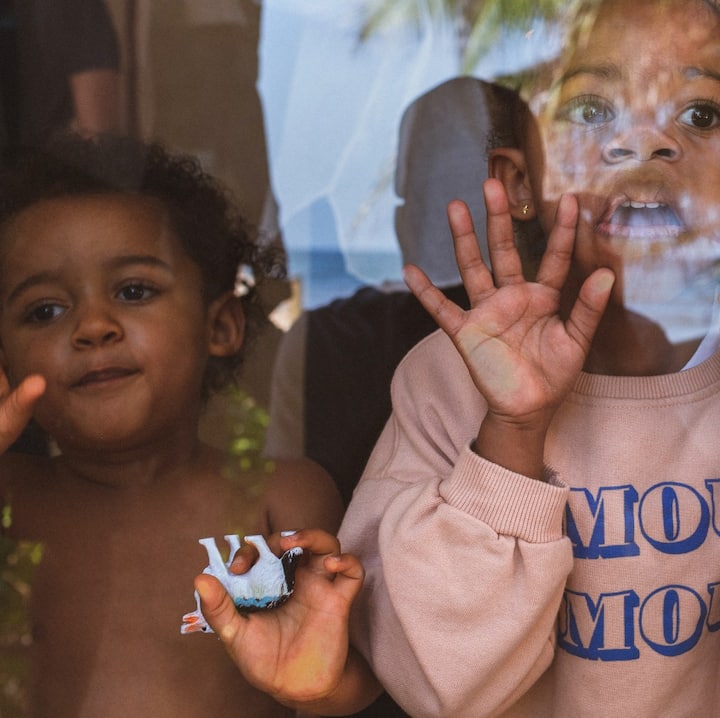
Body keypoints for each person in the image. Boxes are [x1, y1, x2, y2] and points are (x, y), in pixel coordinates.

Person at [194, 0, 720, 715]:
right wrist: (514, 429)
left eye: (701, 115)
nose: (649, 142)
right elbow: (431, 683)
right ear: (521, 180)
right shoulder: (445, 384)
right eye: (592, 110)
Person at [0, 133, 344, 718]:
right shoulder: (9, 498)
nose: (93, 327)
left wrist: (315, 687)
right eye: (46, 311)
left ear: (221, 327)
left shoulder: (280, 501)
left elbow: (352, 680)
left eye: (133, 291)